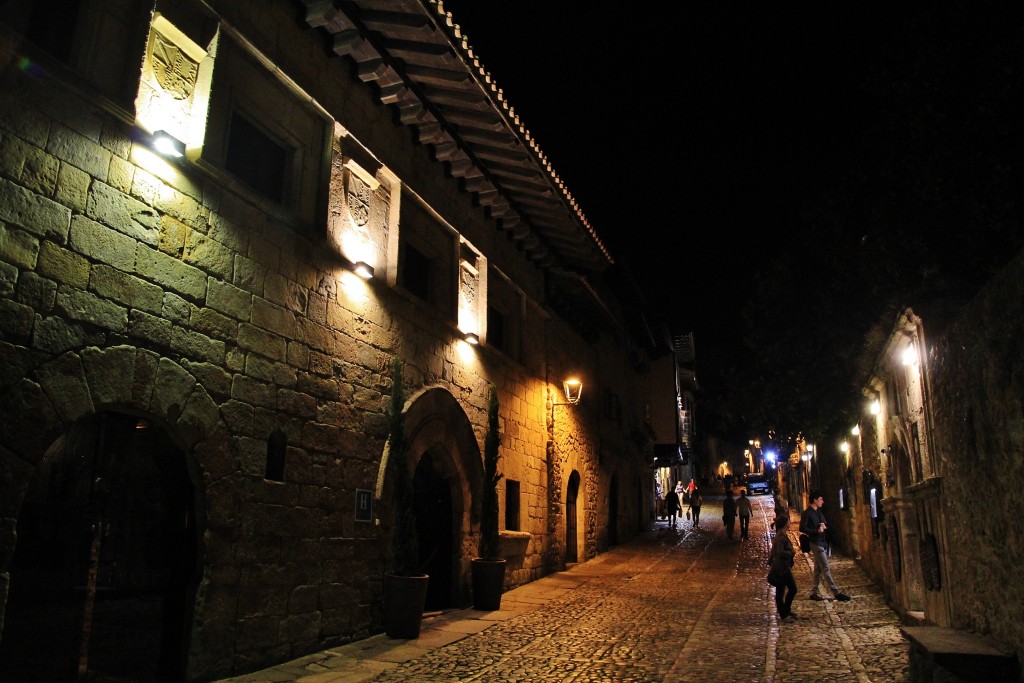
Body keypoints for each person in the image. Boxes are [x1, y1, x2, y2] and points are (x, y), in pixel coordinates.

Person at [799, 491, 852, 601]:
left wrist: (824, 526)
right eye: (821, 499)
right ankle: (836, 592)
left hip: (822, 542)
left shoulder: (819, 512)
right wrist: (816, 531)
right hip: (815, 543)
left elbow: (825, 524)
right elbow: (802, 528)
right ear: (815, 500)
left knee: (818, 569)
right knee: (825, 567)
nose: (822, 501)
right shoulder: (807, 513)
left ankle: (814, 592)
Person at [768, 514, 798, 623]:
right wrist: (791, 553)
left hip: (783, 566)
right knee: (785, 590)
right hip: (781, 567)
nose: (790, 522)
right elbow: (780, 552)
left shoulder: (782, 534)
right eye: (789, 521)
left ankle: (786, 611)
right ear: (786, 523)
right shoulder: (780, 537)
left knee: (789, 589)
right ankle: (784, 614)